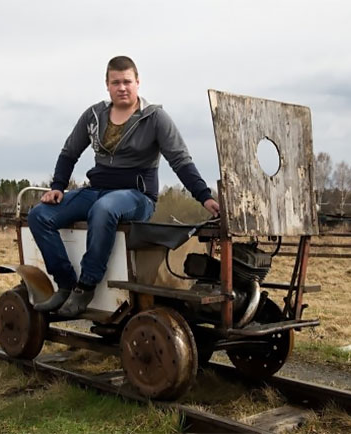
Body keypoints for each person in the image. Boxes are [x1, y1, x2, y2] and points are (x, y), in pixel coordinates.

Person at [28, 55, 220, 317]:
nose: (122, 87)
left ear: (138, 82)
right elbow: (69, 153)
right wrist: (58, 186)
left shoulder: (155, 118)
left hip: (137, 197)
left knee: (104, 209)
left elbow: (181, 161)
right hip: (96, 191)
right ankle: (65, 284)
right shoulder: (94, 116)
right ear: (107, 85)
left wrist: (204, 197)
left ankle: (86, 286)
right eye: (116, 82)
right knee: (40, 215)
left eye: (127, 82)